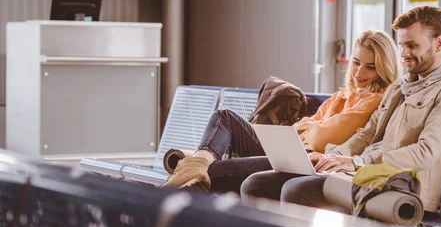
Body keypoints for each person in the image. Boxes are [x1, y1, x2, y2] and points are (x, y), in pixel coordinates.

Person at [241, 6, 441, 215]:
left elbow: (424, 153)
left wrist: (359, 162)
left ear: (439, 44)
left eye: (412, 46)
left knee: (296, 191)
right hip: (363, 176)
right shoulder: (399, 88)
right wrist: (332, 158)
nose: (403, 54)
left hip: (401, 189)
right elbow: (367, 134)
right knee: (256, 185)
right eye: (402, 45)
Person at [163, 29, 400, 193]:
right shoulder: (344, 95)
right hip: (287, 151)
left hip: (305, 164)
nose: (359, 73)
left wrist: (308, 128)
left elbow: (321, 137)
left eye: (371, 67)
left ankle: (193, 172)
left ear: (384, 68)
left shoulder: (375, 100)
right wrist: (309, 127)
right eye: (356, 62)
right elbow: (309, 126)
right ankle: (194, 166)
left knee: (214, 172)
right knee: (225, 117)